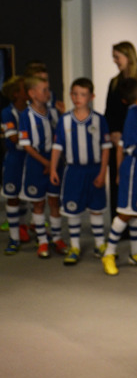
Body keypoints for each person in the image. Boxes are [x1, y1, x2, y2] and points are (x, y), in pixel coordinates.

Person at [49, 78, 111, 265]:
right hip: (73, 172)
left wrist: (103, 173)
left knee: (96, 209)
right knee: (73, 210)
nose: (78, 98)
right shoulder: (65, 120)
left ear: (91, 97)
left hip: (94, 170)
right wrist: (53, 169)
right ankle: (74, 246)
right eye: (75, 94)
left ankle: (99, 244)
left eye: (83, 94)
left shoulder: (99, 120)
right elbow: (57, 147)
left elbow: (105, 148)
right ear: (70, 95)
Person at [101, 78, 137, 275]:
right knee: (126, 212)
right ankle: (109, 253)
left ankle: (135, 252)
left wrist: (119, 170)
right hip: (135, 166)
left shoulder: (135, 113)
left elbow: (121, 145)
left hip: (135, 167)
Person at [105, 41, 137, 220]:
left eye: (117, 57)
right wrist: (113, 133)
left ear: (128, 57)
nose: (115, 60)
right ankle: (120, 225)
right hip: (119, 143)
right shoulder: (114, 83)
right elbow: (109, 113)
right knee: (119, 184)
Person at [18, 75, 63, 258]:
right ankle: (42, 240)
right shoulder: (26, 115)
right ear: (32, 93)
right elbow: (27, 145)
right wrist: (46, 163)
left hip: (53, 160)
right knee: (38, 203)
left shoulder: (53, 112)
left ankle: (57, 238)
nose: (48, 93)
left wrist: (53, 163)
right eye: (44, 90)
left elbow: (60, 136)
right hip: (36, 163)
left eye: (48, 89)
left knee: (54, 201)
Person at [3, 76, 30, 254]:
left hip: (30, 158)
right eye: (24, 88)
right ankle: (14, 238)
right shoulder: (7, 113)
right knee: (12, 196)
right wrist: (33, 138)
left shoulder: (32, 110)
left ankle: (23, 227)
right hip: (14, 160)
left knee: (28, 195)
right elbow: (13, 138)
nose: (28, 90)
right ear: (16, 94)